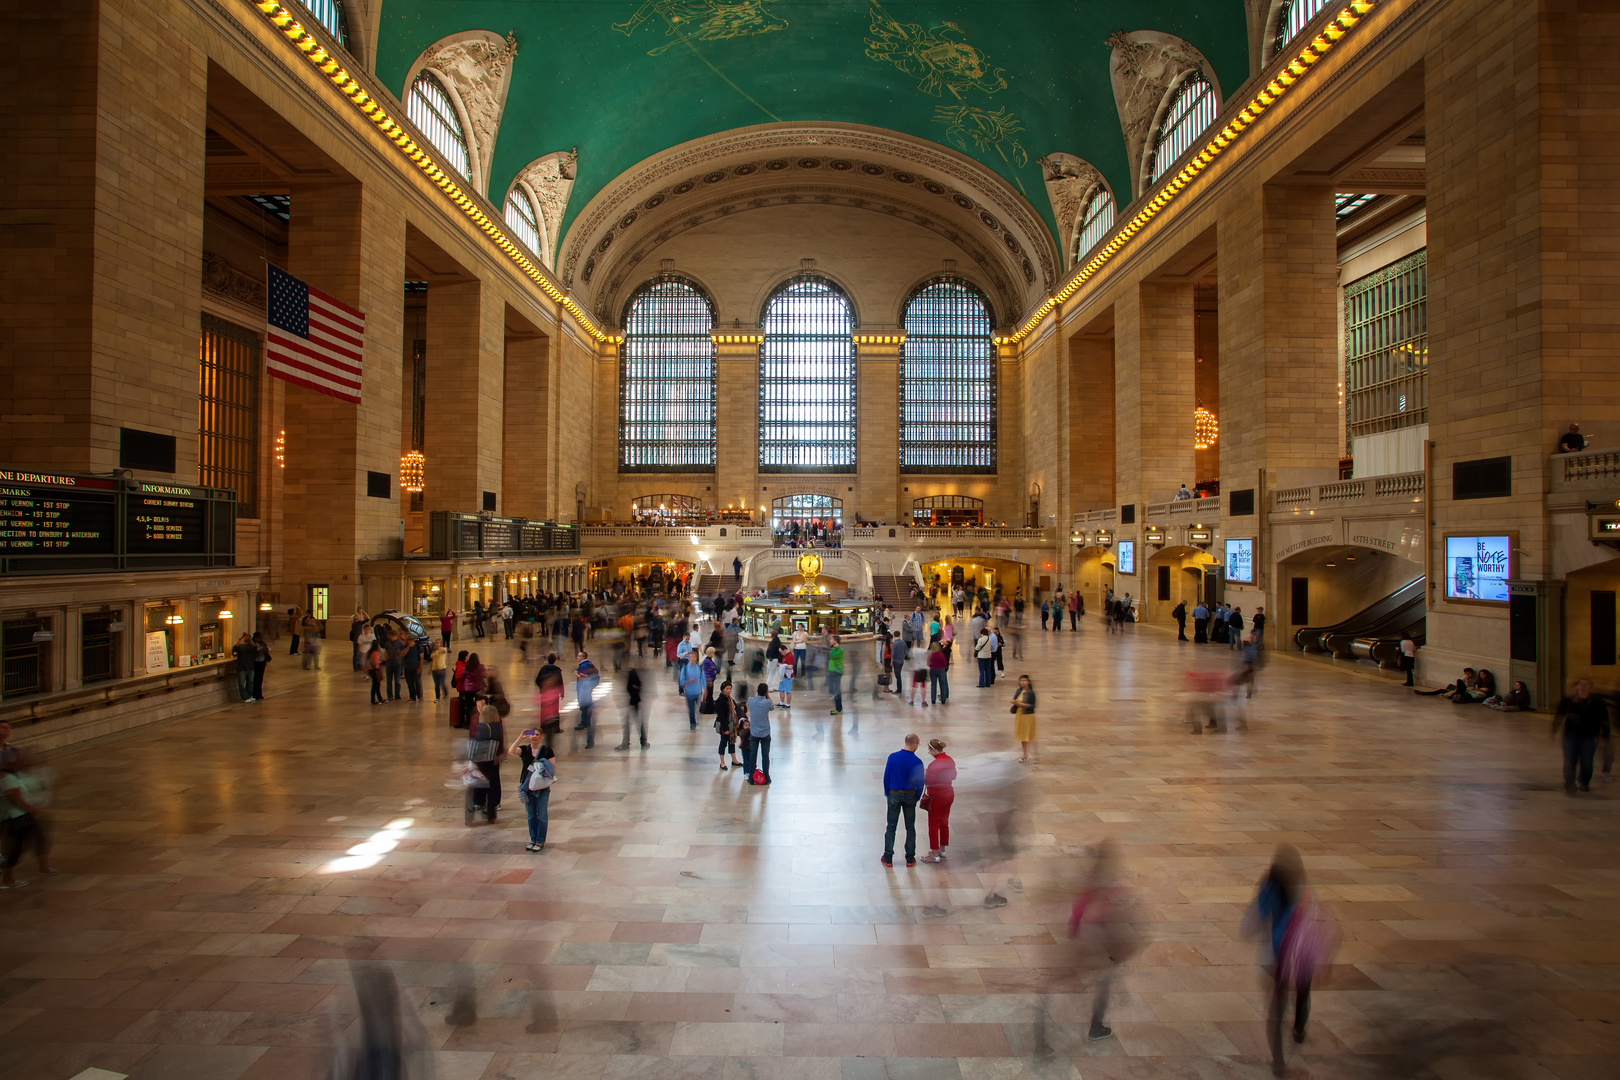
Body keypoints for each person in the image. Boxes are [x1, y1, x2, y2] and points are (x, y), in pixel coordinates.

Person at [1246, 844, 1333, 1076]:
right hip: (1302, 954)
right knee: (1303, 993)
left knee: (1276, 1008)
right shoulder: (1304, 889)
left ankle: (1278, 1061)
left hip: (1277, 956)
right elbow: (1318, 920)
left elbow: (1257, 917)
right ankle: (1299, 1029)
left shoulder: (1269, 886)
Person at [1, 749, 55, 889]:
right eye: (22, 759)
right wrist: (33, 809)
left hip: (22, 816)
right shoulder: (10, 778)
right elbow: (15, 799)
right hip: (17, 818)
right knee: (15, 848)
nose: (26, 762)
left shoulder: (16, 777)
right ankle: (7, 879)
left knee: (36, 840)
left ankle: (41, 868)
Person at [1553, 679, 1610, 793]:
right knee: (1570, 760)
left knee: (1587, 761)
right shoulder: (1569, 701)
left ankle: (1584, 782)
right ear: (1577, 687)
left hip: (1589, 736)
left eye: (1586, 684)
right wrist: (1554, 730)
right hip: (1570, 735)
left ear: (1590, 688)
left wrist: (1605, 735)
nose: (1583, 687)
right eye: (1580, 684)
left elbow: (1604, 720)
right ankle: (1569, 783)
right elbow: (1559, 715)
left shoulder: (1598, 703)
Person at [881, 734, 925, 868]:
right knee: (910, 827)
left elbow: (886, 777)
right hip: (910, 794)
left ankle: (888, 857)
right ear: (915, 744)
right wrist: (916, 797)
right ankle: (910, 858)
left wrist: (887, 793)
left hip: (894, 794)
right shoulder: (917, 761)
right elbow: (921, 783)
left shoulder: (893, 757)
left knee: (891, 827)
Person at [513, 731, 555, 852]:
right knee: (531, 816)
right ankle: (533, 839)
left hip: (541, 787)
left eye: (537, 734)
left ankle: (540, 840)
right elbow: (511, 751)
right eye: (532, 734)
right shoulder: (525, 750)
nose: (534, 736)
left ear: (541, 736)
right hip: (527, 786)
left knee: (542, 815)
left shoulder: (547, 751)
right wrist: (520, 738)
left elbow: (553, 769)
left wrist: (542, 769)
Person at [919, 738, 955, 864]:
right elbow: (954, 776)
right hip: (949, 794)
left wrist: (925, 774)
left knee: (934, 824)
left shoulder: (934, 765)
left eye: (929, 751)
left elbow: (928, 781)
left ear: (933, 750)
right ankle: (942, 850)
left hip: (937, 796)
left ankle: (934, 855)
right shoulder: (950, 760)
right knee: (944, 822)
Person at [745, 682, 772, 784]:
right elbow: (772, 708)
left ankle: (751, 777)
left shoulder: (751, 701)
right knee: (765, 755)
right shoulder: (767, 702)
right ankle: (766, 777)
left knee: (753, 755)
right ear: (766, 692)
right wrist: (767, 696)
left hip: (754, 732)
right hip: (765, 732)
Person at [534, 654, 563, 740]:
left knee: (543, 710)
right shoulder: (557, 670)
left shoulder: (543, 669)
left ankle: (543, 728)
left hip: (544, 693)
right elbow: (560, 682)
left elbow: (537, 680)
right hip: (554, 694)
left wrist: (541, 688)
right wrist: (562, 692)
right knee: (555, 710)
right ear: (555, 661)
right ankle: (556, 728)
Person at [616, 666, 646, 750]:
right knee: (637, 722)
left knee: (628, 723)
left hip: (633, 702)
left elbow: (634, 687)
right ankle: (643, 741)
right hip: (634, 701)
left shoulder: (632, 674)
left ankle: (626, 743)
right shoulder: (632, 673)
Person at [574, 651, 600, 747]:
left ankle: (585, 722)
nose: (577, 657)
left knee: (584, 707)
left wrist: (576, 674)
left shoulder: (584, 666)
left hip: (584, 691)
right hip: (586, 690)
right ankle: (584, 721)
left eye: (579, 655)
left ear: (583, 657)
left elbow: (583, 676)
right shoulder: (588, 664)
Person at [1012, 674, 1037, 763]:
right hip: (1020, 715)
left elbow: (1032, 706)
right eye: (1021, 681)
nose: (1022, 682)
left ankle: (1033, 753)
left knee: (1028, 735)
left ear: (1028, 682)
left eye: (1024, 681)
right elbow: (1014, 699)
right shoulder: (1019, 691)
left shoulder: (1030, 693)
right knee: (1023, 735)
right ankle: (1024, 753)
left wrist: (1021, 704)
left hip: (1028, 716)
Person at [232, 632, 256, 702]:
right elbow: (234, 648)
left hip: (250, 667)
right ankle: (245, 697)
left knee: (250, 682)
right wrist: (240, 639)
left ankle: (249, 695)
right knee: (241, 683)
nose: (246, 638)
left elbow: (255, 648)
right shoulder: (240, 647)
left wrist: (250, 640)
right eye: (245, 637)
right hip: (242, 667)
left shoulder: (251, 647)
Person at [826, 636, 845, 716]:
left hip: (837, 672)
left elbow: (831, 656)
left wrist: (834, 649)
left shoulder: (839, 650)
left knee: (837, 690)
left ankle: (838, 708)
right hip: (832, 671)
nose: (830, 640)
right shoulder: (833, 649)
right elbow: (830, 660)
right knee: (832, 689)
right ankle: (837, 707)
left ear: (836, 641)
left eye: (831, 639)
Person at [402, 636, 424, 702]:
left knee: (417, 682)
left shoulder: (418, 647)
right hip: (407, 667)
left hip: (416, 667)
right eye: (408, 640)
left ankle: (420, 696)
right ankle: (412, 697)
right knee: (410, 683)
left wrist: (420, 667)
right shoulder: (405, 647)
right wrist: (408, 647)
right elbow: (402, 654)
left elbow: (421, 657)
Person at [364, 638, 385, 705]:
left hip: (370, 670)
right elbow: (376, 662)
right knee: (376, 685)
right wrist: (380, 661)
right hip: (375, 670)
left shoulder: (369, 652)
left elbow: (366, 662)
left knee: (375, 685)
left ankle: (378, 698)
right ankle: (375, 699)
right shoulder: (375, 653)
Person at [927, 641, 949, 705]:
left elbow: (928, 663)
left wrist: (931, 666)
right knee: (942, 684)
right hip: (941, 670)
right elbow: (945, 662)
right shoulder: (941, 654)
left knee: (933, 684)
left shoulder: (930, 654)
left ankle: (933, 699)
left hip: (933, 669)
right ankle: (943, 699)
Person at [251, 631, 271, 700]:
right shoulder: (252, 644)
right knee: (255, 678)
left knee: (260, 678)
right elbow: (256, 651)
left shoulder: (263, 644)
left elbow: (265, 651)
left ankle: (259, 693)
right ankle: (254, 694)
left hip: (262, 662)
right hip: (255, 662)